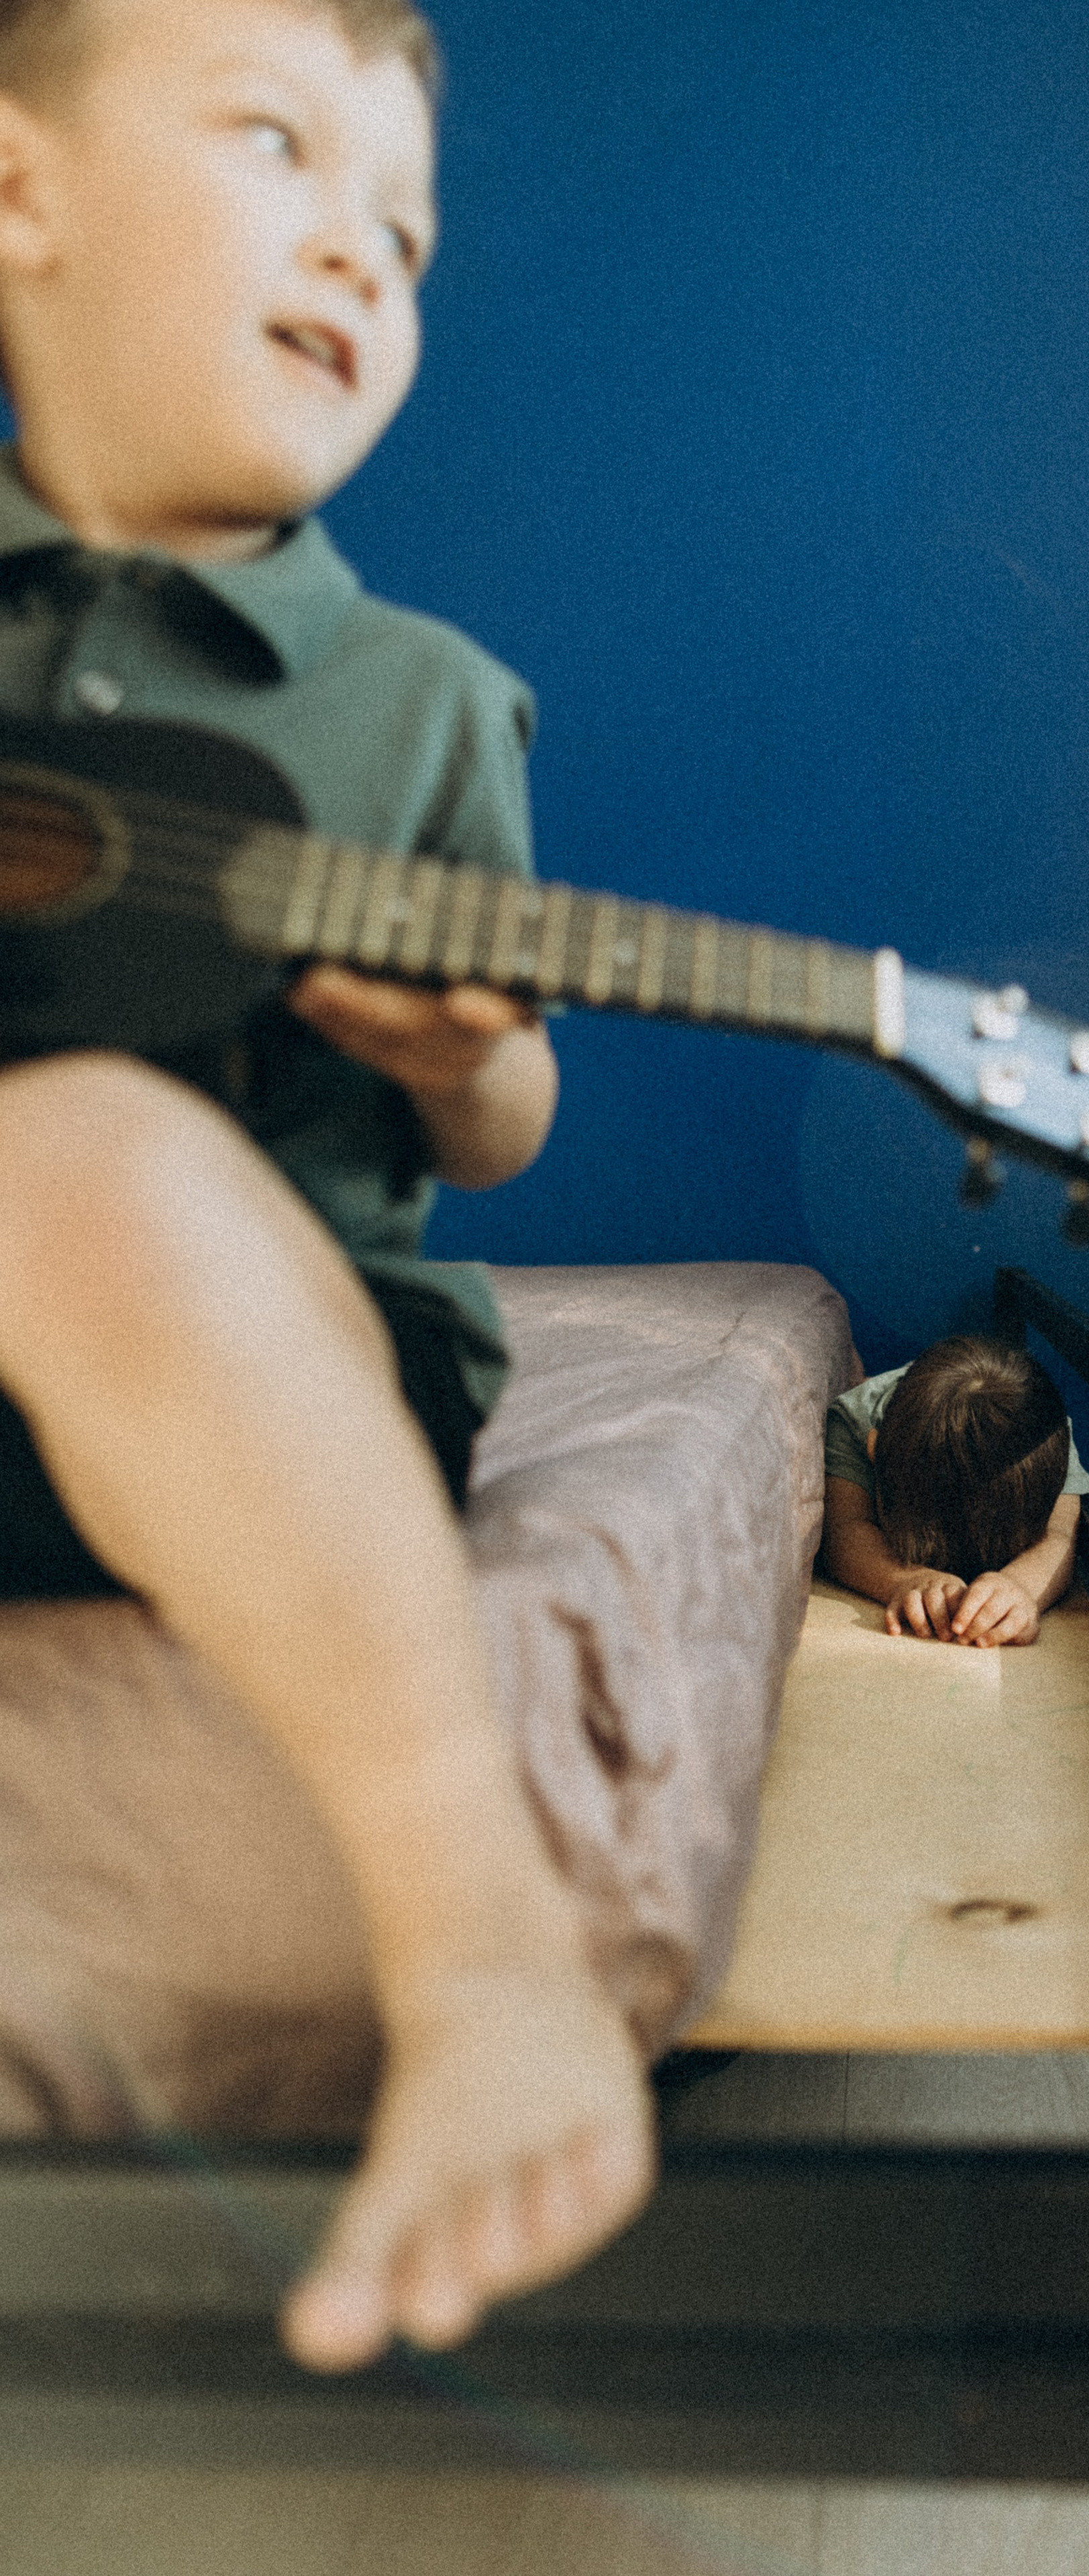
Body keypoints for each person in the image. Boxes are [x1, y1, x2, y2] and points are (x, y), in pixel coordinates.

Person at [0, 0, 654, 2372]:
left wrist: (471, 1068)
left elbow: (513, 1124)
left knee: (78, 1157)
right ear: (18, 193)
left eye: (401, 227)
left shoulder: (422, 709)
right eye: (276, 145)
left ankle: (482, 1944)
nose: (358, 254)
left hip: (264, 1371)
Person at [821, 1335, 1089, 1646]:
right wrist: (906, 1579)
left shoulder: (1043, 1439)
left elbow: (1059, 1531)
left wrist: (1020, 1587)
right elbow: (845, 1529)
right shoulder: (855, 1421)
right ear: (874, 1452)